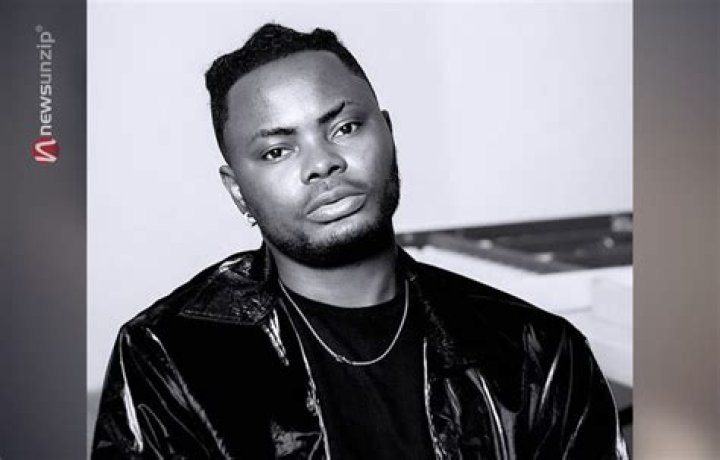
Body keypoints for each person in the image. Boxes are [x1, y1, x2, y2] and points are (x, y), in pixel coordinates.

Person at [92, 23, 628, 459]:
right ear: (238, 192)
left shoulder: (537, 351)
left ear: (388, 133)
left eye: (345, 128)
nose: (323, 163)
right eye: (277, 151)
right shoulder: (170, 354)